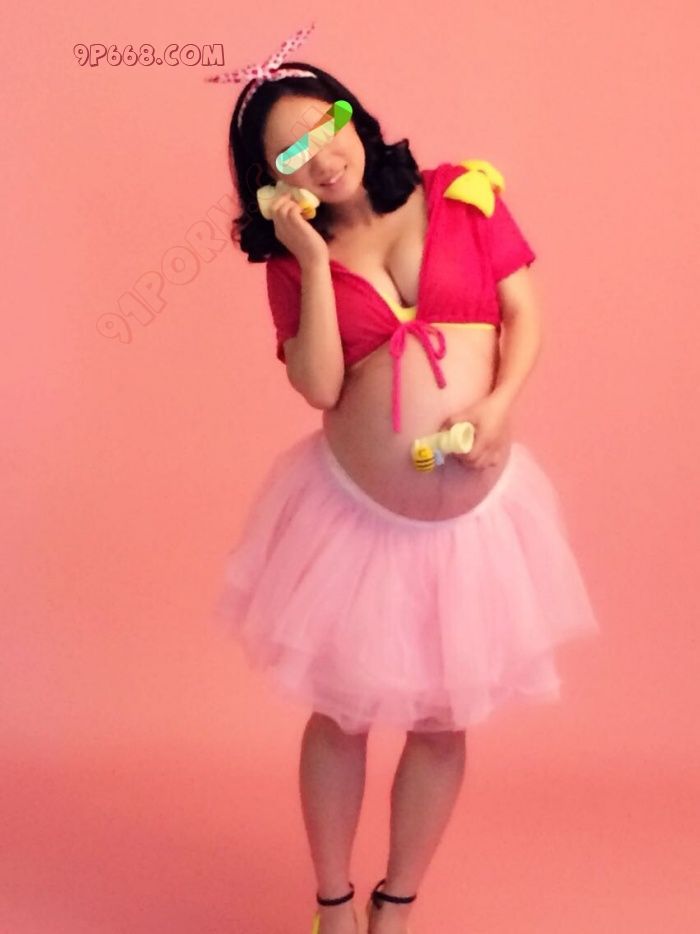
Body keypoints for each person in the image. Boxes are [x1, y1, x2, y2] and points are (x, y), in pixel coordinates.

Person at [208, 40, 599, 934]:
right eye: (291, 151)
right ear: (270, 181)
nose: (322, 154)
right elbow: (318, 386)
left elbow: (524, 315)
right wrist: (313, 261)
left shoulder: (459, 192)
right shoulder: (291, 263)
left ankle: (397, 905)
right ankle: (333, 903)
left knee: (442, 717)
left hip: (475, 524)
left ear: (355, 117)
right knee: (342, 715)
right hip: (357, 522)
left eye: (327, 125)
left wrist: (498, 406)